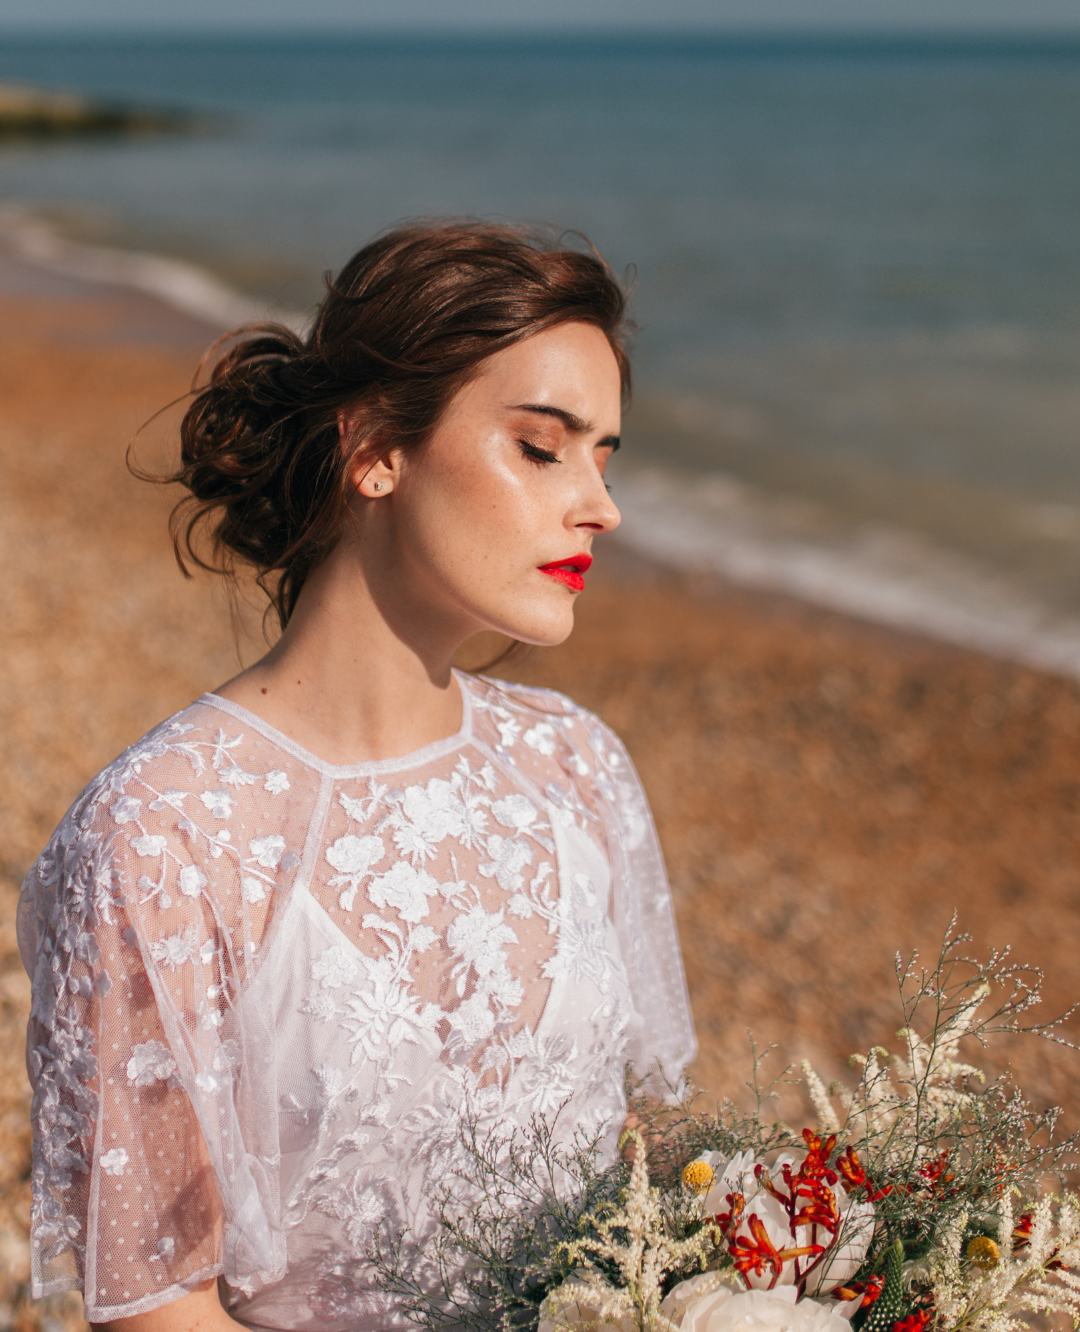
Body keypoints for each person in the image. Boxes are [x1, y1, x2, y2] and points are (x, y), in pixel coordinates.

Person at [18, 220, 696, 1332]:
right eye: (543, 447)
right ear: (376, 445)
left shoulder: (579, 768)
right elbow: (156, 1308)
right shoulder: (160, 835)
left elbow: (642, 1165)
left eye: (605, 455)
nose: (601, 506)